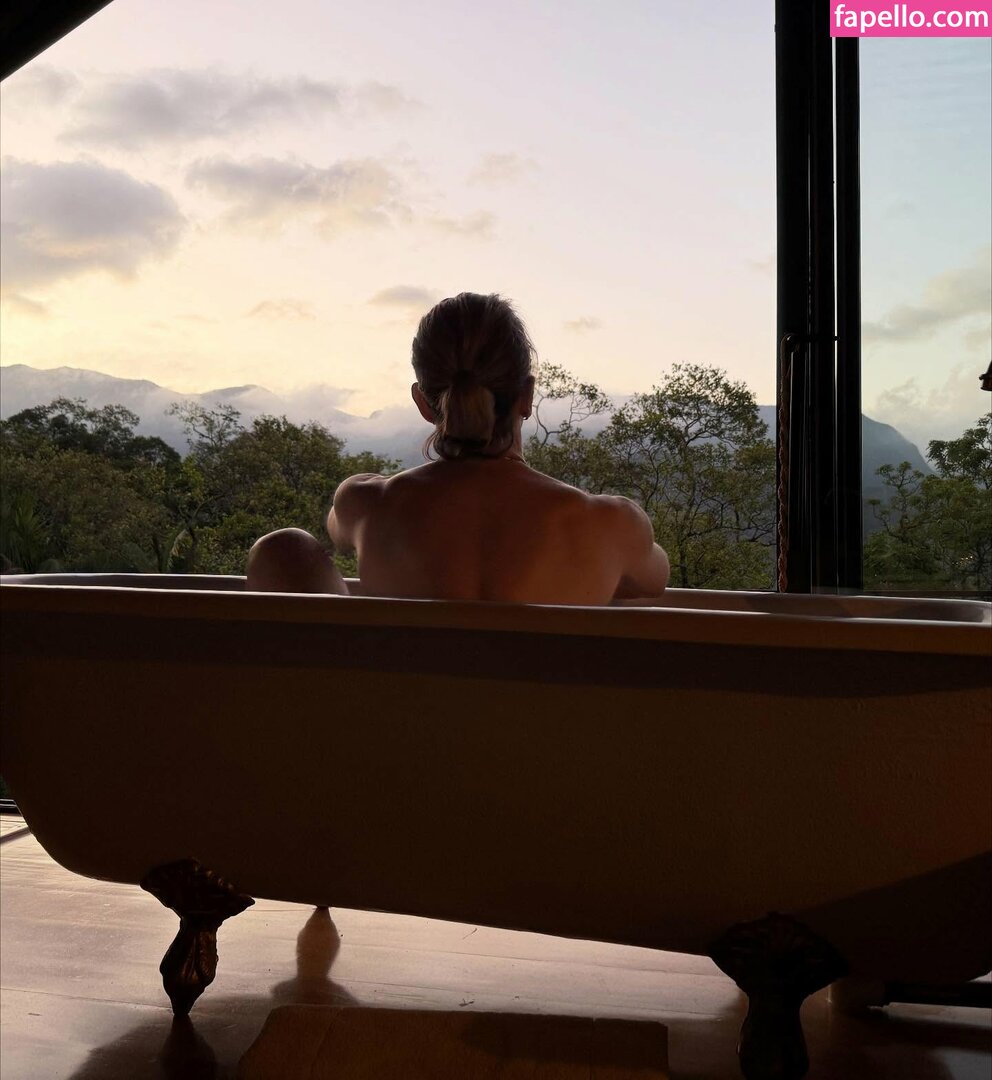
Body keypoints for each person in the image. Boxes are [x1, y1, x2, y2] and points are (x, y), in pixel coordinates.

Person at [247, 293, 669, 604]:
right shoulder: (610, 524)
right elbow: (651, 580)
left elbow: (336, 532)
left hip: (391, 700)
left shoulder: (366, 503)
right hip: (538, 703)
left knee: (282, 548)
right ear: (526, 397)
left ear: (423, 402)